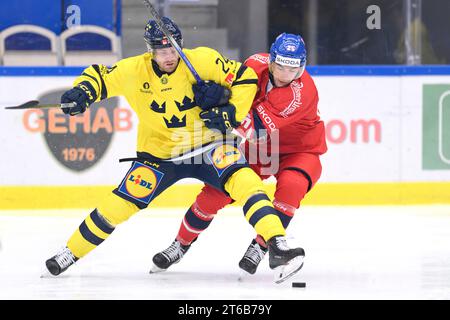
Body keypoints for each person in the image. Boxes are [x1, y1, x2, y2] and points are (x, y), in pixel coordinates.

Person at [43, 18, 305, 283]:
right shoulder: (134, 70)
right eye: (161, 51)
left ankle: (276, 243)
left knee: (247, 184)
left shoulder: (202, 61)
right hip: (161, 156)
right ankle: (70, 252)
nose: (168, 56)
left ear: (181, 45)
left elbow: (244, 77)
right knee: (118, 206)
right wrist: (83, 92)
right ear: (150, 50)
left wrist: (232, 113)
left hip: (210, 145)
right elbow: (100, 76)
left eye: (173, 49)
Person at [150, 33, 327, 276]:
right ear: (271, 60)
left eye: (293, 69)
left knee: (291, 187)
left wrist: (222, 111)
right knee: (215, 193)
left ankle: (262, 246)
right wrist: (216, 93)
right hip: (260, 149)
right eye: (281, 66)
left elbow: (253, 129)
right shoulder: (254, 64)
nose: (286, 75)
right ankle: (180, 244)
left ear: (302, 67)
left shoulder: (300, 94)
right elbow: (232, 88)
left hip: (301, 150)